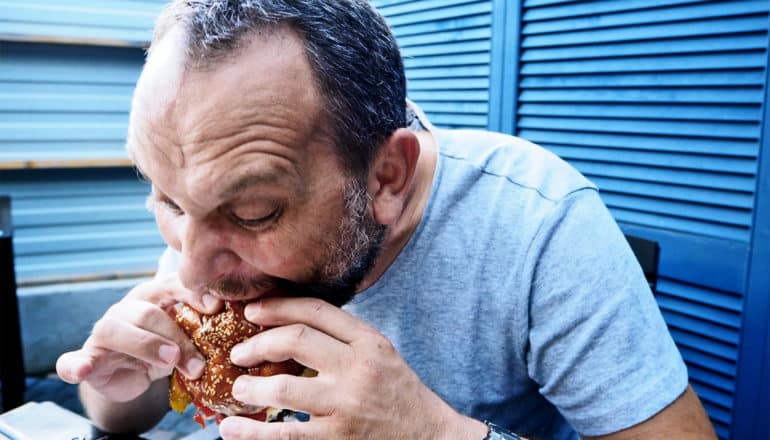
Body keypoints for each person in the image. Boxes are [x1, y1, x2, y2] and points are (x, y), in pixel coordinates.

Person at [56, 1, 717, 439]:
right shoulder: (213, 232)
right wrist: (127, 382)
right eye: (170, 203)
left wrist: (439, 433)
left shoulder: (536, 222)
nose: (195, 269)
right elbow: (122, 413)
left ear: (386, 178)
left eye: (254, 211)